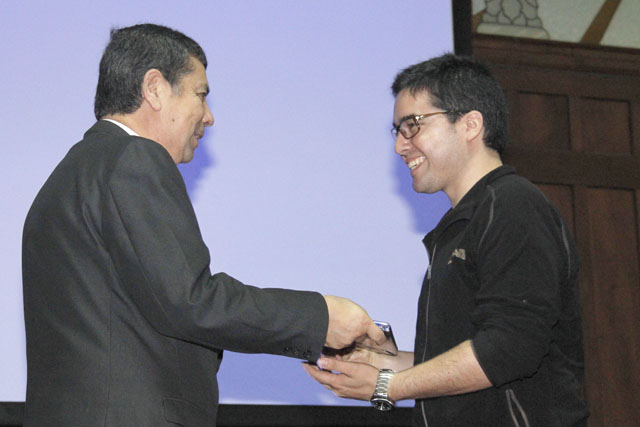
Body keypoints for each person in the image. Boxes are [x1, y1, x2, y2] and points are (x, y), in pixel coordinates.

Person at [22, 23, 385, 427]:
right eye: (200, 94)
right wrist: (320, 318)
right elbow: (190, 302)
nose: (209, 117)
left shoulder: (72, 174)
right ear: (155, 88)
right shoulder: (134, 158)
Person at [303, 54, 589, 426]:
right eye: (397, 130)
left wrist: (388, 386)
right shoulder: (460, 223)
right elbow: (466, 361)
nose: (400, 146)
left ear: (470, 124)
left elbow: (509, 349)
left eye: (413, 125)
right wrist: (383, 363)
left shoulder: (513, 205)